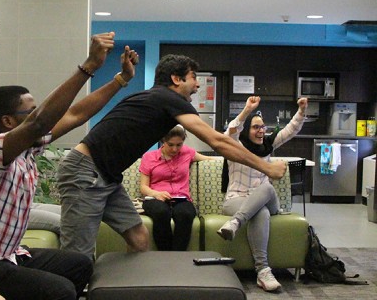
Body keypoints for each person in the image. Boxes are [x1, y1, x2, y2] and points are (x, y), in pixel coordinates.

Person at [0, 34, 139, 300]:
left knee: (80, 265)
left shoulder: (27, 147)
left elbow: (75, 114)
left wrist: (121, 80)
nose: (41, 118)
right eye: (32, 112)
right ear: (9, 121)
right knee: (61, 291)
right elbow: (39, 122)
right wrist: (89, 66)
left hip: (7, 256)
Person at [56, 54, 288, 259]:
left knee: (139, 239)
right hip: (85, 173)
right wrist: (266, 167)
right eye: (193, 78)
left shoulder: (158, 99)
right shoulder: (168, 98)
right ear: (176, 80)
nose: (198, 85)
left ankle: (122, 289)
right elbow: (217, 141)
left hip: (107, 178)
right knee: (77, 258)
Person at [217, 96, 308, 292]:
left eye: (262, 127)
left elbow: (290, 130)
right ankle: (263, 271)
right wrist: (247, 110)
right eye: (255, 127)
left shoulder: (267, 146)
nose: (261, 131)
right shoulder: (235, 146)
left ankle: (235, 223)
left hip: (268, 200)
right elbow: (231, 130)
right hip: (236, 199)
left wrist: (301, 111)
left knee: (266, 187)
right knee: (261, 213)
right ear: (247, 130)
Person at [139, 125, 215, 251]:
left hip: (181, 198)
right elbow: (143, 187)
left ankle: (178, 255)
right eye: (170, 145)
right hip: (155, 198)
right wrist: (156, 194)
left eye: (179, 145)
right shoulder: (149, 157)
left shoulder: (187, 152)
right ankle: (166, 254)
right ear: (163, 141)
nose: (175, 149)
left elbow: (208, 159)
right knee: (161, 212)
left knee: (185, 214)